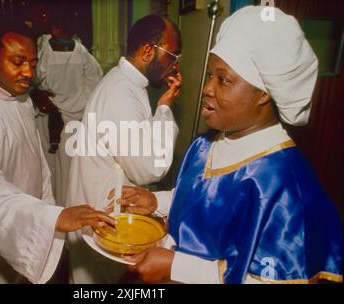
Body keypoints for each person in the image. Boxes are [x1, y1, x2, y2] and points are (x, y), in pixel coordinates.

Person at [117, 6, 343, 284]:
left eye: (223, 80)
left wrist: (177, 267)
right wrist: (158, 201)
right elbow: (204, 197)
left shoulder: (285, 186)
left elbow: (269, 279)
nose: (207, 88)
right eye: (210, 75)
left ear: (263, 93)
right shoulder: (206, 144)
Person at [0, 21, 115, 284]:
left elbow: (37, 165)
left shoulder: (19, 98)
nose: (28, 72)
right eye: (18, 61)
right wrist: (49, 217)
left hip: (29, 235)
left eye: (33, 64)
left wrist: (47, 209)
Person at [66, 14, 182, 283]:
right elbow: (149, 169)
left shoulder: (128, 84)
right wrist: (164, 109)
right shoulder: (121, 93)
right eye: (172, 56)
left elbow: (139, 143)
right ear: (147, 51)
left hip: (105, 211)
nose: (175, 66)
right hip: (102, 219)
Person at [31, 9, 103, 206]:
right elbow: (96, 79)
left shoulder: (43, 48)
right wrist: (79, 100)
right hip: (73, 121)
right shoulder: (81, 51)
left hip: (49, 116)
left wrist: (44, 93)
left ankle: (55, 215)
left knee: (50, 170)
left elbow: (37, 78)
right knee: (70, 173)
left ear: (55, 27)